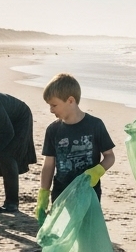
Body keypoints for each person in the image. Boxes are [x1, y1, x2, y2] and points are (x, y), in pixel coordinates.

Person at [36, 74, 116, 225]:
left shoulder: (95, 125)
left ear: (70, 101)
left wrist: (97, 171)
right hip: (61, 192)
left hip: (88, 191)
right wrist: (44, 194)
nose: (51, 110)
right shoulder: (53, 130)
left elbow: (110, 157)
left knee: (85, 231)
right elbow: (48, 165)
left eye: (54, 105)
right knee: (61, 230)